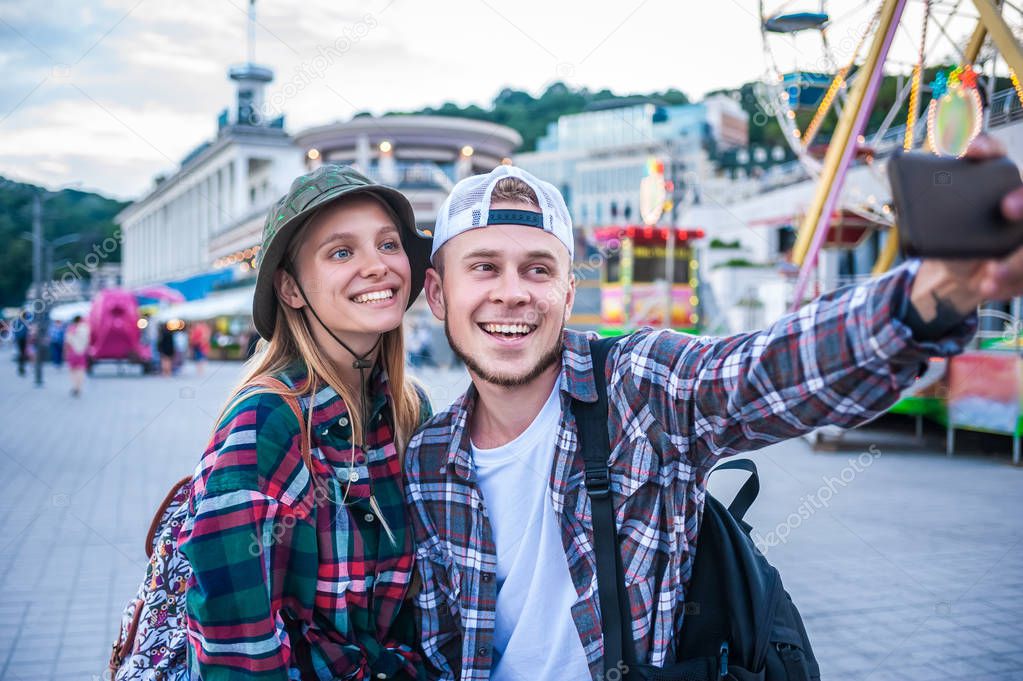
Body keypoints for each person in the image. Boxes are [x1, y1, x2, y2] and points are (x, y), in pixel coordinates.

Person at [403, 137, 1023, 680]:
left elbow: (764, 371)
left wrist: (930, 294)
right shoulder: (428, 459)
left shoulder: (636, 387)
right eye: (483, 267)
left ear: (568, 293)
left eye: (537, 269)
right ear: (437, 292)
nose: (511, 293)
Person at [177, 164, 433, 680]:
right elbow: (235, 647)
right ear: (291, 289)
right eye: (342, 252)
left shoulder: (410, 411)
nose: (377, 266)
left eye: (388, 244)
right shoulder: (267, 421)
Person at [63, 314, 90, 397]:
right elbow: (88, 341)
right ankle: (79, 388)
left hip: (72, 352)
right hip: (82, 352)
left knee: (73, 370)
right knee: (81, 370)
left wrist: (64, 353)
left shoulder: (71, 328)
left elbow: (67, 342)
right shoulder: (86, 329)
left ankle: (75, 386)